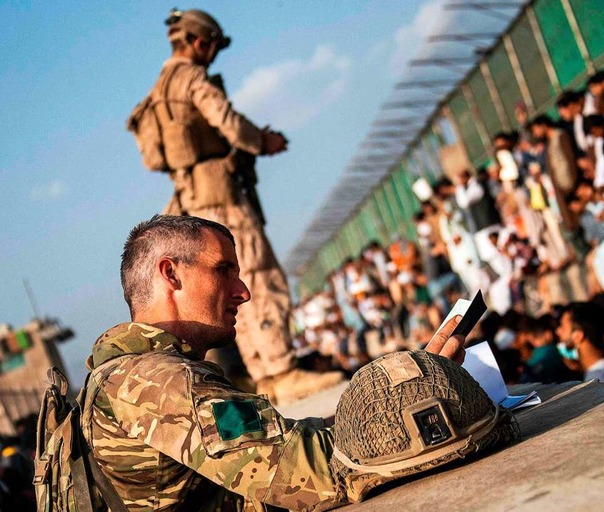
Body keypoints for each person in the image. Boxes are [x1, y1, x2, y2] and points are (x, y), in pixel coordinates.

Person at [81, 214, 468, 510]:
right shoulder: (156, 383)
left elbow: (276, 441)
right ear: (171, 275)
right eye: (223, 270)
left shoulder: (125, 374)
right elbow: (311, 473)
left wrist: (389, 395)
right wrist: (412, 391)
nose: (243, 292)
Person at [130, 8, 341, 403]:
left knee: (225, 285)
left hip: (190, 199)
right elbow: (225, 119)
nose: (212, 55)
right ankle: (280, 370)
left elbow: (151, 159)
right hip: (221, 194)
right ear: (198, 42)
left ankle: (266, 374)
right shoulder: (191, 78)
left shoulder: (157, 92)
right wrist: (262, 141)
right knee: (259, 278)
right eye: (210, 46)